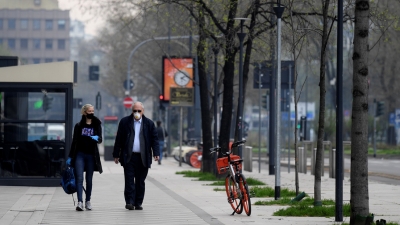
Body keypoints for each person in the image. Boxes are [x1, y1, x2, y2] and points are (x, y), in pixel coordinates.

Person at [113, 101, 159, 210]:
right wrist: (116, 154)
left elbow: (154, 140)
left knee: (140, 181)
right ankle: (129, 201)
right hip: (129, 157)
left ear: (143, 111)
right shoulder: (125, 122)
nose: (137, 113)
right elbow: (119, 139)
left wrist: (156, 153)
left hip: (143, 158)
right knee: (129, 180)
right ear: (132, 111)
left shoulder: (149, 124)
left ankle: (138, 202)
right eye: (135, 111)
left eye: (139, 111)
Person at [66, 104, 103, 211]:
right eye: (89, 111)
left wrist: (95, 137)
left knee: (89, 179)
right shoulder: (79, 126)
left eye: (93, 111)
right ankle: (80, 202)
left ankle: (88, 201)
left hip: (91, 155)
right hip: (79, 154)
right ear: (84, 112)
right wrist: (70, 157)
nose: (91, 113)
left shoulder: (97, 124)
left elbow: (100, 139)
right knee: (79, 178)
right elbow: (74, 142)